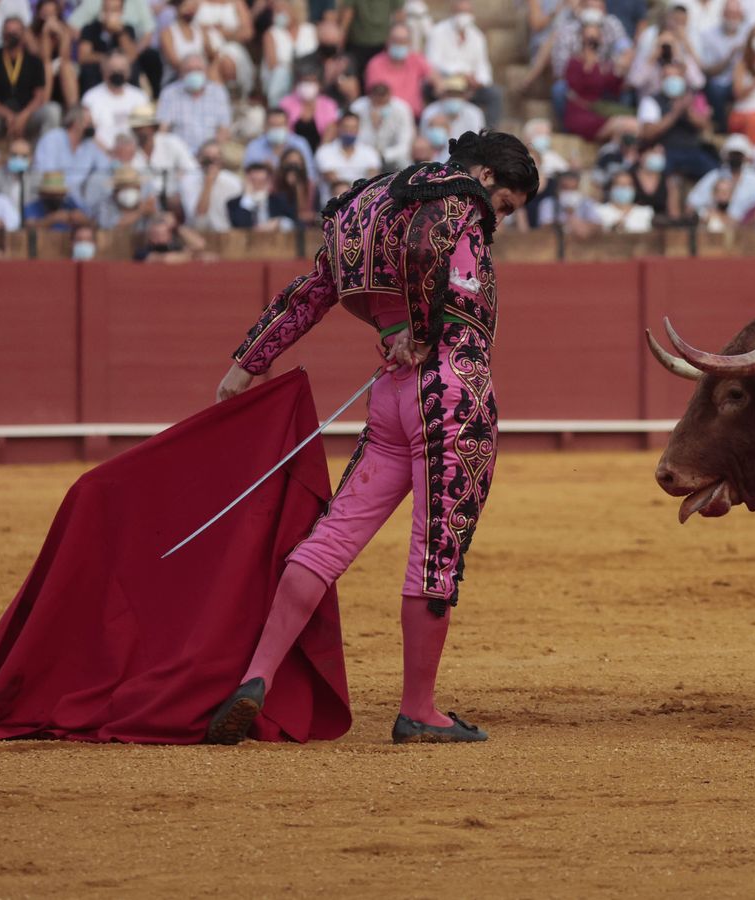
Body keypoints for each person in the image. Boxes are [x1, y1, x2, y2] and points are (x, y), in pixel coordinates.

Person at [206, 131, 538, 746]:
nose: (499, 220)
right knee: (437, 550)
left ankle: (258, 676)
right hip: (450, 387)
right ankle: (419, 710)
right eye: (507, 207)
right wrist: (421, 324)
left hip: (389, 394)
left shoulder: (360, 206)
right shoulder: (458, 197)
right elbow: (427, 249)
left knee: (332, 536)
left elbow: (311, 292)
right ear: (487, 176)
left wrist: (249, 361)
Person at [425, 0, 503, 129]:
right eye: (460, 11)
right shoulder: (437, 32)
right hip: (445, 83)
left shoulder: (477, 37)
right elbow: (431, 64)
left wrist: (477, 81)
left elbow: (483, 67)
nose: (463, 16)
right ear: (452, 11)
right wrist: (459, 73)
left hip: (469, 86)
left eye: (466, 12)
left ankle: (489, 136)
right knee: (427, 87)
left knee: (495, 94)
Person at [0, 17, 58, 142]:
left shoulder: (34, 61)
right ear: (2, 34)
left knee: (53, 110)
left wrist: (23, 116)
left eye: (15, 32)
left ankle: (45, 156)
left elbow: (39, 96)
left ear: (23, 35)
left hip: (27, 116)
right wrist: (7, 114)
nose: (11, 35)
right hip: (0, 117)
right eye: (7, 32)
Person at [127, 104, 197, 211]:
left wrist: (180, 190)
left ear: (153, 128)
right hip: (143, 201)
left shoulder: (172, 142)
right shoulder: (129, 149)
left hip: (174, 197)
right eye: (136, 128)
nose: (140, 131)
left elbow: (191, 169)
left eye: (143, 127)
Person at [687, 132, 755, 220]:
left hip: (747, 227)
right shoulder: (714, 176)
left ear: (745, 156)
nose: (735, 158)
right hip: (718, 227)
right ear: (726, 155)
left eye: (738, 155)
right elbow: (693, 203)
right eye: (732, 154)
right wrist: (706, 213)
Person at [81, 50, 149, 150]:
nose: (117, 73)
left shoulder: (140, 97)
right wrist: (109, 153)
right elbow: (88, 132)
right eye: (113, 69)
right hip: (101, 153)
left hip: (135, 154)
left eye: (121, 70)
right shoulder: (90, 98)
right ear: (103, 70)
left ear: (129, 70)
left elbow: (146, 132)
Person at [314, 112, 384, 203]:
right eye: (346, 127)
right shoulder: (324, 151)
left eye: (353, 128)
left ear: (358, 129)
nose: (349, 131)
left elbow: (373, 178)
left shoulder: (370, 152)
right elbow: (334, 181)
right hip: (332, 206)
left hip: (362, 204)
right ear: (339, 128)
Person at [366, 24, 433, 116]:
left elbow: (437, 81)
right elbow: (375, 93)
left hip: (413, 116)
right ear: (388, 41)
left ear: (409, 43)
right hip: (385, 115)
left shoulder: (417, 60)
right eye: (395, 40)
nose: (399, 44)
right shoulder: (375, 63)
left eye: (403, 41)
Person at [261, 0, 317, 106]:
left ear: (294, 10)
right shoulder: (271, 33)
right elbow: (272, 64)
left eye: (280, 10)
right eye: (275, 11)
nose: (277, 14)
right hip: (281, 77)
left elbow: (315, 58)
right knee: (282, 72)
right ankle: (277, 107)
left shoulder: (310, 30)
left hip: (306, 74)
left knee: (310, 75)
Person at [351, 81, 417, 170]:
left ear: (389, 97)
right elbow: (356, 139)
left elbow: (404, 144)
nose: (380, 107)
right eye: (377, 103)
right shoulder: (358, 108)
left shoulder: (402, 109)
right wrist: (375, 128)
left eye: (384, 103)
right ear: (370, 97)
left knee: (405, 164)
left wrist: (383, 155)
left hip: (393, 156)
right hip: (365, 156)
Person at [182, 140, 243, 231]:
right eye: (207, 160)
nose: (211, 164)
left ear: (221, 161)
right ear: (199, 159)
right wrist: (208, 183)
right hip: (198, 234)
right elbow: (199, 217)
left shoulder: (234, 182)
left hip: (227, 234)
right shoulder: (188, 181)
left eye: (215, 159)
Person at [245, 108, 318, 182]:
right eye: (273, 125)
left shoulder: (300, 143)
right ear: (265, 126)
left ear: (287, 125)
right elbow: (248, 175)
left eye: (280, 125)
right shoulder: (254, 146)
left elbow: (310, 174)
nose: (276, 128)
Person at [227, 162, 297, 231]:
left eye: (261, 182)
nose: (257, 186)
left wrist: (279, 223)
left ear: (269, 182)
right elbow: (241, 227)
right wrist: (248, 198)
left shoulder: (280, 201)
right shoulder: (233, 204)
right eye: (253, 181)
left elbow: (299, 225)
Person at [25, 169, 89, 231]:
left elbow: (92, 225)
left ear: (63, 195)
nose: (55, 197)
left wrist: (83, 221)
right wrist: (53, 218)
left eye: (58, 194)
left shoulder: (70, 204)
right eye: (51, 194)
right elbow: (29, 229)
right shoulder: (31, 207)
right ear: (42, 194)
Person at [134, 209, 208, 262]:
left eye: (162, 235)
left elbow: (200, 244)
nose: (158, 238)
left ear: (169, 235)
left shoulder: (176, 247)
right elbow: (166, 259)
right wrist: (189, 256)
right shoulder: (142, 252)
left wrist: (176, 226)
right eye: (155, 234)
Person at [594, 168, 654, 232]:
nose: (623, 188)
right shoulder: (599, 211)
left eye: (627, 185)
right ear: (611, 188)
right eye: (619, 184)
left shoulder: (645, 212)